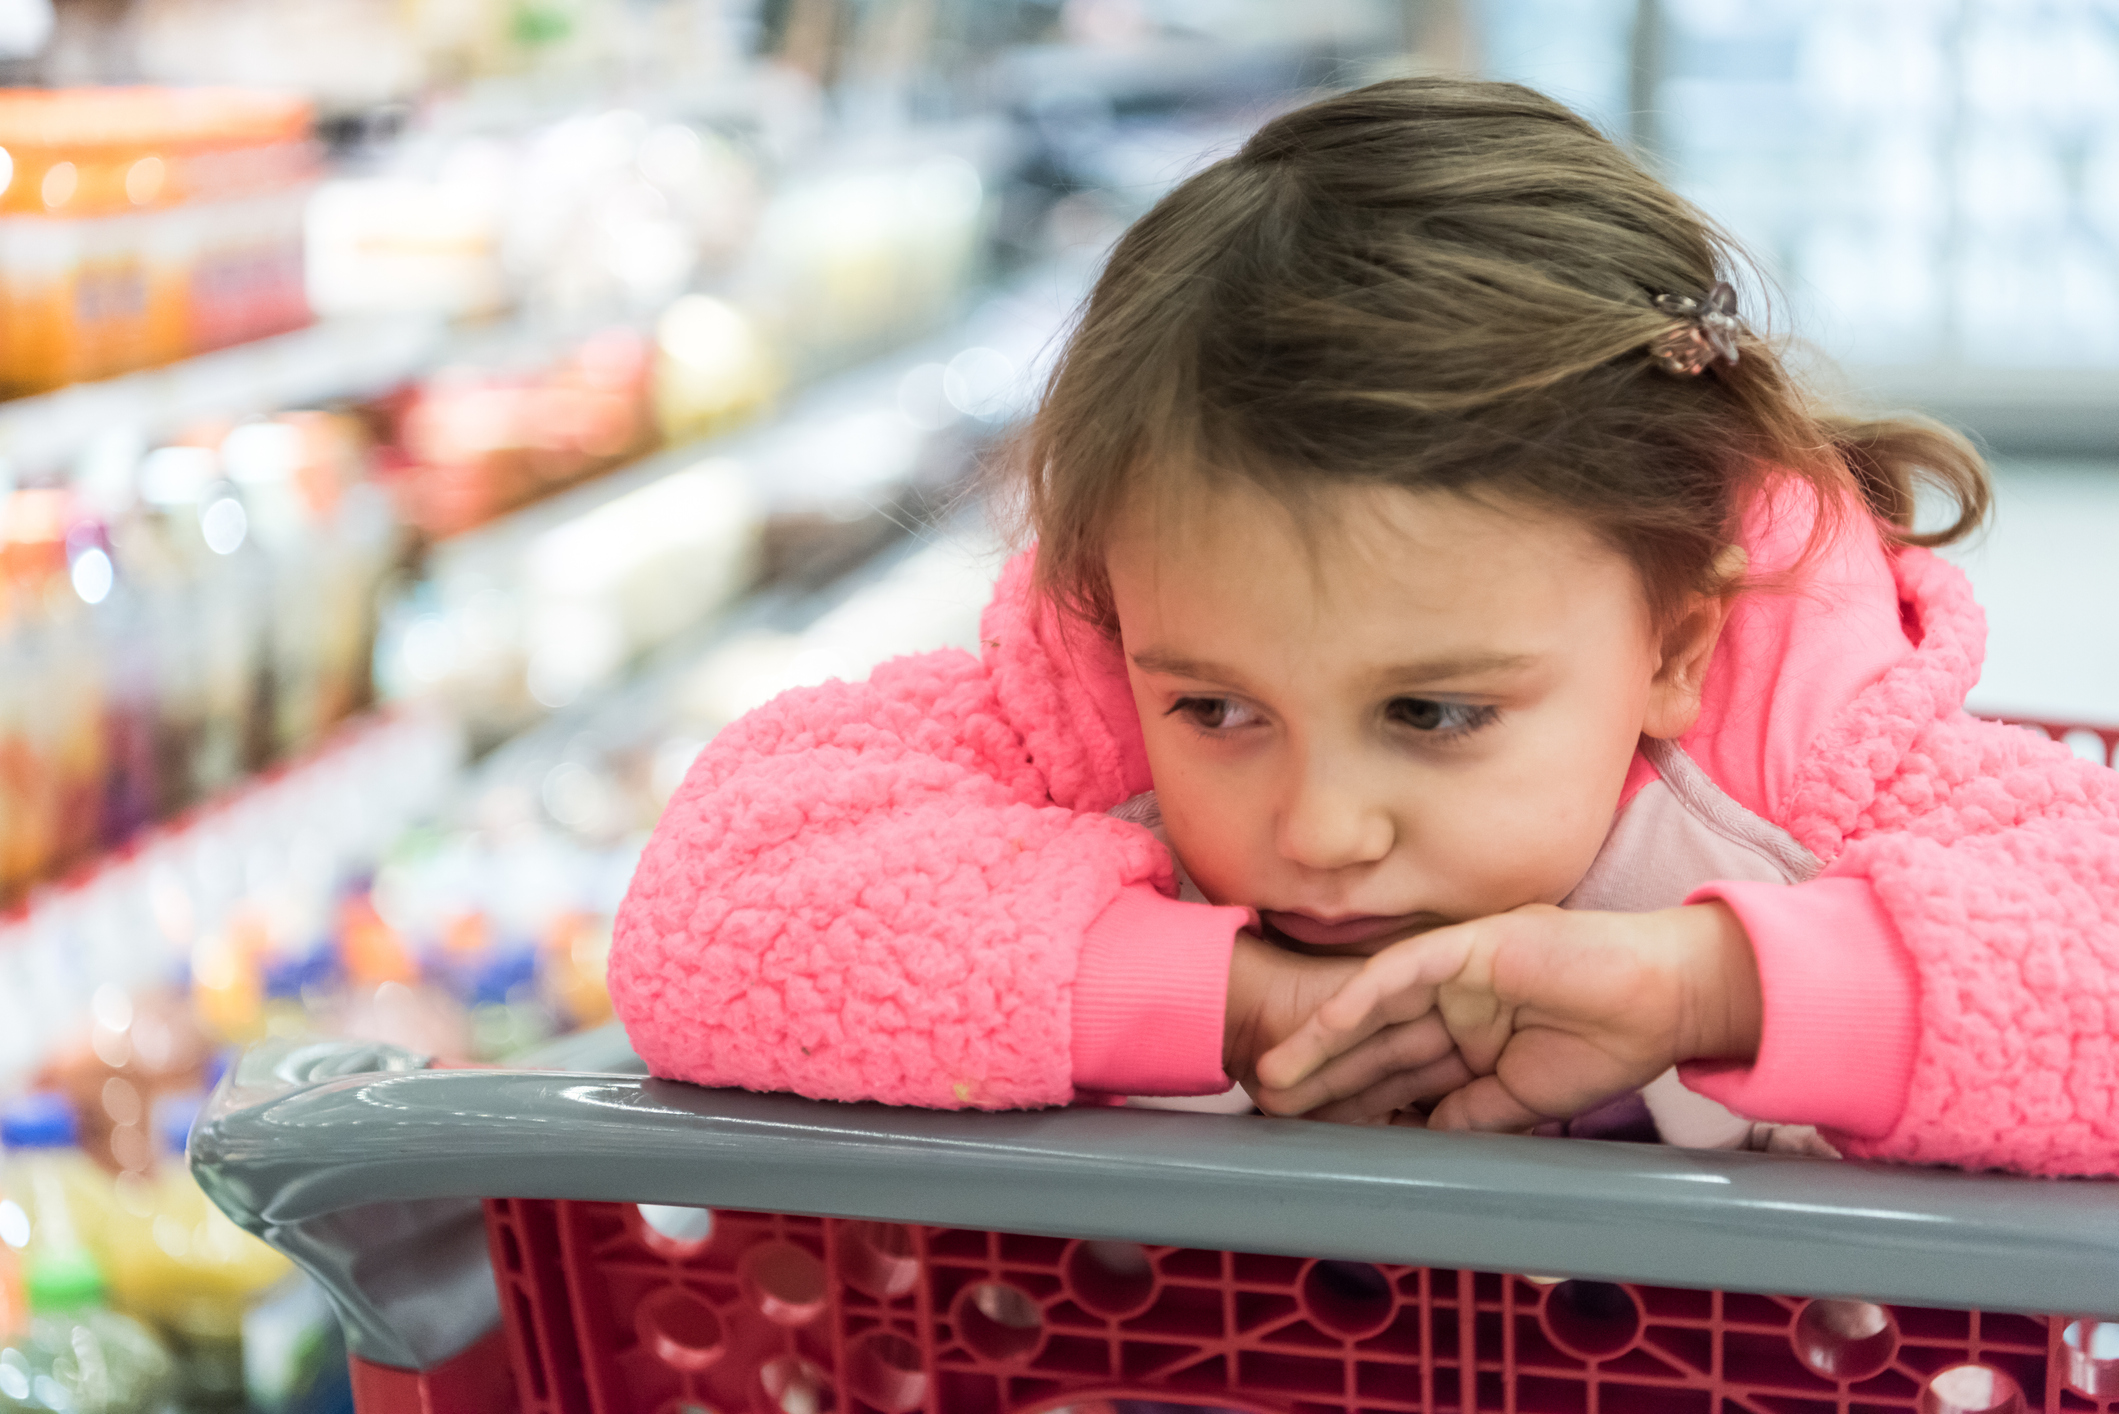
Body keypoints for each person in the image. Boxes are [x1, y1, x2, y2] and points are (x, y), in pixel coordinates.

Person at [609, 77, 2119, 1177]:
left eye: (1435, 714)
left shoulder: (1809, 772)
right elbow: (718, 910)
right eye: (1215, 709)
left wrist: (1699, 986)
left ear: (1671, 648)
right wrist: (1238, 1001)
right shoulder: (1072, 719)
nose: (1321, 831)